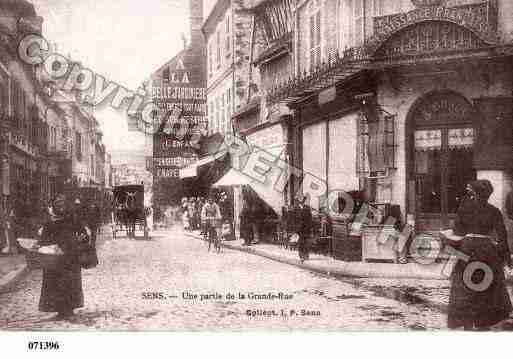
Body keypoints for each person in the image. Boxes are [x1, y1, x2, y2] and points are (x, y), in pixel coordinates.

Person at [445, 180, 512, 330]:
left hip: (467, 249)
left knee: (464, 285)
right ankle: (483, 322)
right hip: (487, 250)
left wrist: (452, 245)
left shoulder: (464, 209)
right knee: (487, 285)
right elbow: (502, 236)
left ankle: (467, 322)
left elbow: (457, 232)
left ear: (474, 193)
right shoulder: (494, 211)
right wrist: (505, 258)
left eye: (470, 192)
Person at [38, 194, 90, 321]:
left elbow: (83, 233)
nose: (61, 207)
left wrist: (81, 238)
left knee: (70, 283)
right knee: (55, 284)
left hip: (71, 257)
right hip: (55, 257)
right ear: (54, 206)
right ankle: (60, 310)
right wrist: (47, 245)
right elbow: (44, 239)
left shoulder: (72, 218)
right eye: (58, 204)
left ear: (66, 205)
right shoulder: (49, 221)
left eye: (63, 204)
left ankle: (70, 309)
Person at [296, 195, 312, 262]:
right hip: (300, 229)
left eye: (302, 201)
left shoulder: (307, 208)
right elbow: (295, 220)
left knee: (305, 242)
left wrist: (309, 227)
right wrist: (297, 229)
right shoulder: (297, 209)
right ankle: (302, 256)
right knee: (301, 242)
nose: (301, 202)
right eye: (300, 201)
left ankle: (306, 255)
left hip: (306, 229)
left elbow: (310, 219)